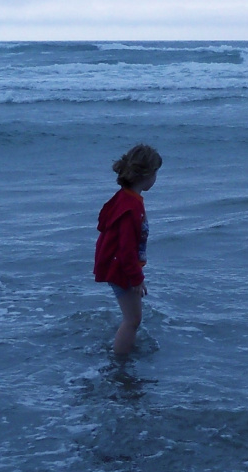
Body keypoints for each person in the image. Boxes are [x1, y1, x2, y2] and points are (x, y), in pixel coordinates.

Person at [94, 143, 162, 357]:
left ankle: (122, 353)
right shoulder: (131, 206)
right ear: (147, 175)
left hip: (118, 265)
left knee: (131, 317)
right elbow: (126, 249)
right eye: (156, 173)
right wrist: (136, 278)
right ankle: (120, 363)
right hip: (121, 268)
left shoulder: (124, 197)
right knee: (133, 320)